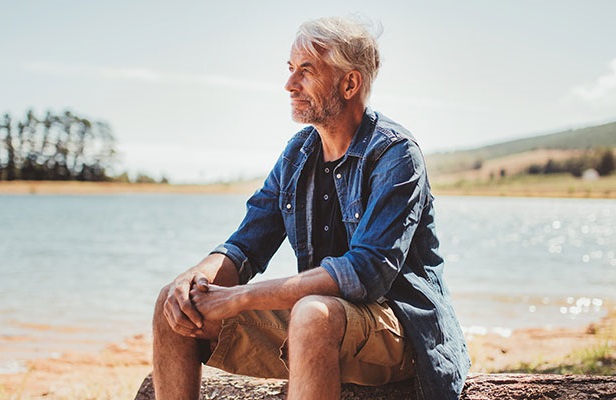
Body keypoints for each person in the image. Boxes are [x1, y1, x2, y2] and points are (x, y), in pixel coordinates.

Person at [152, 16, 470, 400]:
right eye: (290, 69)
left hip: (399, 331)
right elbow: (245, 246)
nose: (289, 84)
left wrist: (240, 297)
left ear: (349, 83)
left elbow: (365, 272)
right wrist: (194, 279)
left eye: (306, 71)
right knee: (173, 304)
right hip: (322, 325)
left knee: (311, 313)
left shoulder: (396, 154)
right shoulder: (297, 154)